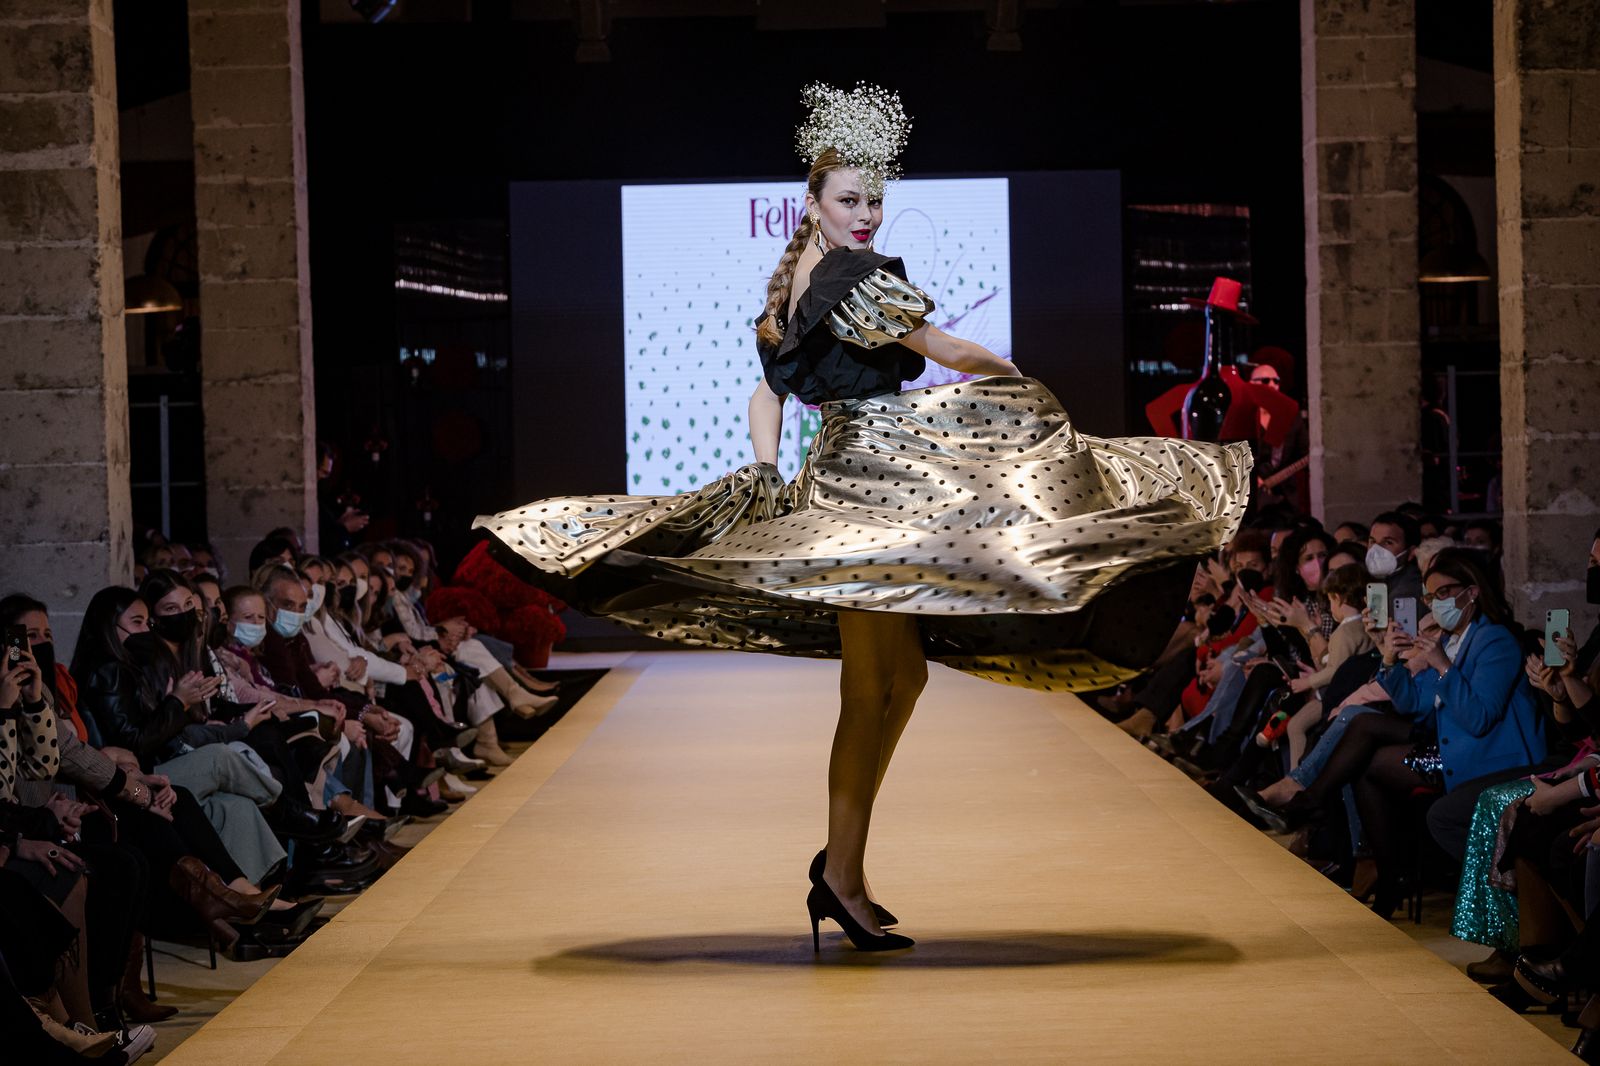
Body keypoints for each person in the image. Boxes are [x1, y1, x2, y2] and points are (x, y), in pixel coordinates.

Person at [472, 83, 1251, 953]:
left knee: (900, 678)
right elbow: (941, 349)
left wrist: (768, 468)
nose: (869, 213)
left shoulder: (790, 292)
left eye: (876, 199)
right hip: (878, 485)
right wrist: (1017, 373)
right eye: (850, 199)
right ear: (813, 204)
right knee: (872, 685)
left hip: (853, 479)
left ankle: (844, 867)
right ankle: (839, 875)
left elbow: (767, 390)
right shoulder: (852, 274)